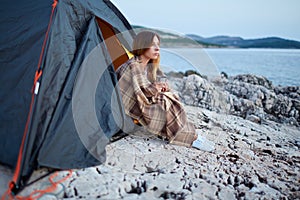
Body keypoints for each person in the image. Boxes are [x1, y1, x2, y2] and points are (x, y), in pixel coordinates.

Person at [116, 31, 214, 152]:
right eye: (153, 45)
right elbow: (136, 95)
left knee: (169, 96)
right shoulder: (133, 65)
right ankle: (190, 137)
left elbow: (155, 82)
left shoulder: (149, 66)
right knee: (164, 100)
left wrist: (161, 87)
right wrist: (154, 89)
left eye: (158, 44)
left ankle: (189, 134)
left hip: (143, 100)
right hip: (130, 107)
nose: (157, 48)